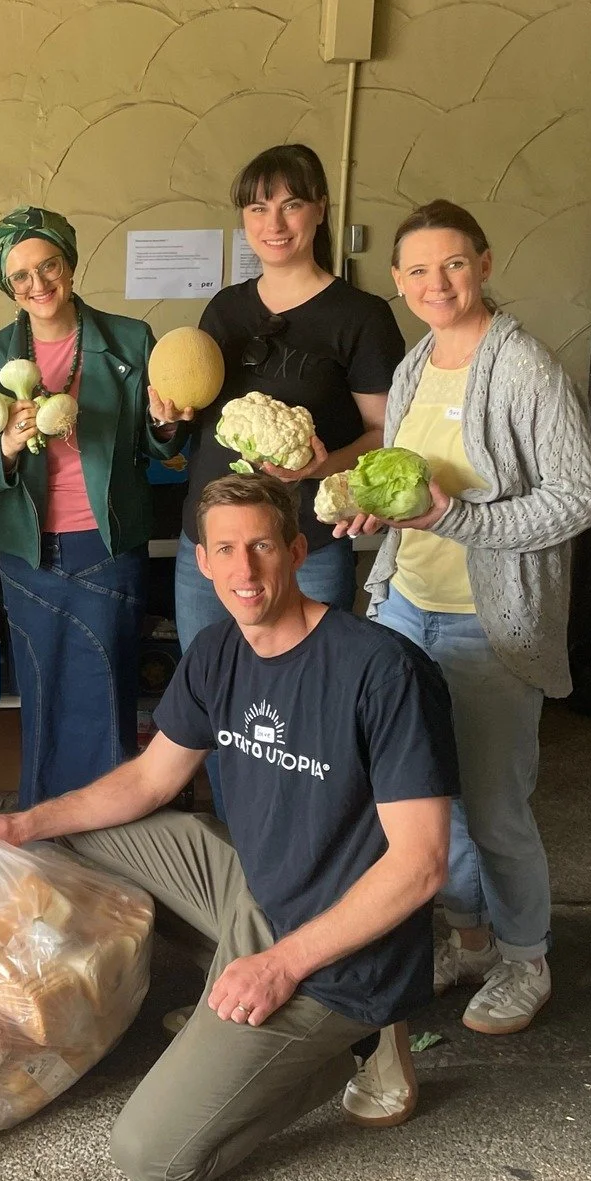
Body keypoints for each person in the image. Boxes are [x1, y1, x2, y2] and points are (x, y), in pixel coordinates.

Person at [0, 474, 458, 1181]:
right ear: (203, 560)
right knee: (56, 839)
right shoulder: (220, 651)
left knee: (150, 1159)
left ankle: (359, 1040)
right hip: (256, 887)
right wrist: (20, 822)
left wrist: (281, 965)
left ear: (295, 549)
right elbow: (150, 782)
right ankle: (235, 991)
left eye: (260, 546)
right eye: (226, 549)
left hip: (338, 952)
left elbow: (421, 865)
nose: (244, 570)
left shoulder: (383, 670)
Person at [333, 200, 591, 1035]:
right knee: (420, 802)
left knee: (494, 809)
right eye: (417, 269)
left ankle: (528, 960)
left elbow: (581, 496)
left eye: (452, 264)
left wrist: (461, 521)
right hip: (405, 608)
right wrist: (374, 511)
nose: (435, 282)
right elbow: (410, 478)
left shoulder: (523, 369)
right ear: (400, 282)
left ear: (483, 265)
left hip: (487, 624)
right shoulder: (417, 365)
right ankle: (473, 941)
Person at [175, 143, 405, 810]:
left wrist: (323, 463)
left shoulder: (361, 317)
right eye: (258, 207)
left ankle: (306, 848)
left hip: (305, 544)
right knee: (216, 699)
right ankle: (237, 841)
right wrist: (168, 411)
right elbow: (196, 418)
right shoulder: (224, 312)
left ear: (319, 210)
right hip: (212, 547)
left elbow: (386, 432)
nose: (275, 222)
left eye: (292, 204)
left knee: (302, 708)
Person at [0, 206, 188, 806]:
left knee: (106, 686)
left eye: (49, 266)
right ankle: (45, 825)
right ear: (6, 286)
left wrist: (167, 427)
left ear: (69, 263)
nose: (38, 285)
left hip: (106, 543)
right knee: (42, 691)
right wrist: (7, 445)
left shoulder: (130, 339)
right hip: (28, 550)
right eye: (20, 277)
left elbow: (154, 441)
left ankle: (109, 833)